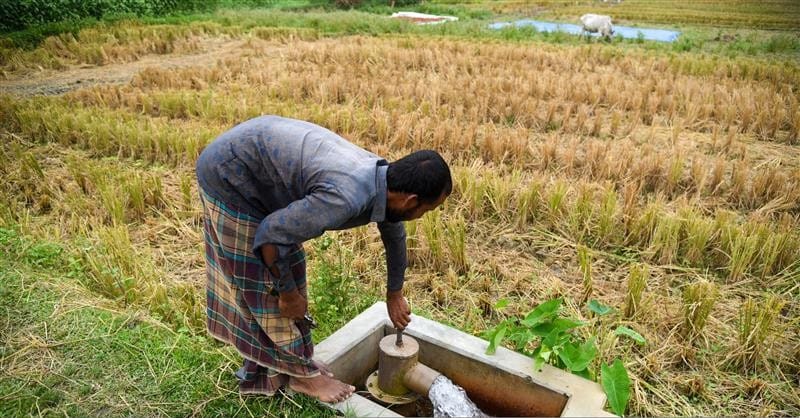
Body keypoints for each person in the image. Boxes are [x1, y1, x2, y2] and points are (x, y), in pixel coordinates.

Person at [195, 115, 451, 403]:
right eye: (427, 211)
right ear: (411, 201)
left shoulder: (385, 179)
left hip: (260, 163)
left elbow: (395, 236)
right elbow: (269, 235)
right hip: (230, 176)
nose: (421, 217)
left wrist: (395, 294)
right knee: (265, 286)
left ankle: (292, 364)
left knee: (289, 267)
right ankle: (305, 379)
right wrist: (289, 295)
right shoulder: (346, 197)